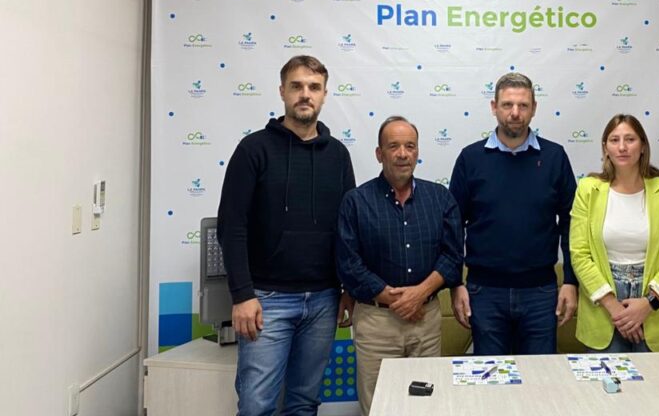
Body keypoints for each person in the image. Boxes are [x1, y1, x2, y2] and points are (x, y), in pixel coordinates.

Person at [217, 55, 357, 416]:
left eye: (314, 87)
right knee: (256, 406)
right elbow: (231, 227)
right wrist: (242, 295)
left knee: (304, 404)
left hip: (324, 301)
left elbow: (349, 231)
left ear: (324, 94)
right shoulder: (253, 150)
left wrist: (348, 289)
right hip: (266, 300)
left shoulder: (338, 155)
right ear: (282, 92)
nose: (305, 94)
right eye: (297, 86)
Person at [336, 116, 463, 416]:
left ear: (417, 152)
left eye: (410, 146)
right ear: (379, 153)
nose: (402, 154)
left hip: (425, 321)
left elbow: (453, 255)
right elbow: (348, 263)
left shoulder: (440, 198)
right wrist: (397, 300)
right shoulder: (356, 201)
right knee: (379, 407)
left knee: (426, 406)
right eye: (393, 146)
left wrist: (419, 294)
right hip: (376, 324)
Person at [448, 72, 578, 355]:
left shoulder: (555, 157)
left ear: (534, 108)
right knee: (490, 376)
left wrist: (570, 280)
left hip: (541, 292)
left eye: (523, 105)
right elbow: (452, 226)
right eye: (507, 105)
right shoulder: (470, 158)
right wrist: (455, 283)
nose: (515, 113)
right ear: (494, 107)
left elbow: (572, 224)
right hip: (484, 293)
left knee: (541, 376)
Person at [569, 114, 659, 353]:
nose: (622, 147)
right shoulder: (588, 189)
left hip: (656, 307)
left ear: (643, 146)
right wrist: (614, 308)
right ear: (605, 148)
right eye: (614, 140)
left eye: (630, 139)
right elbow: (579, 253)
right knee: (606, 378)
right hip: (603, 307)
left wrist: (649, 303)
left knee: (656, 378)